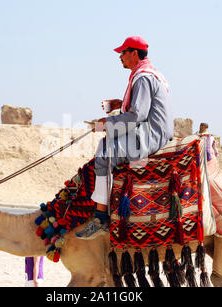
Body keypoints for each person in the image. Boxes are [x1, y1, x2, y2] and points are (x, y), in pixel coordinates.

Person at [76, 36, 173, 240]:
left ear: (134, 53)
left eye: (123, 52)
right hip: (150, 129)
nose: (120, 57)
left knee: (104, 153)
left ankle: (101, 217)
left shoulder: (144, 77)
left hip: (151, 134)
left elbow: (138, 114)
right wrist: (121, 104)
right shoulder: (145, 74)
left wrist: (105, 125)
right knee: (105, 145)